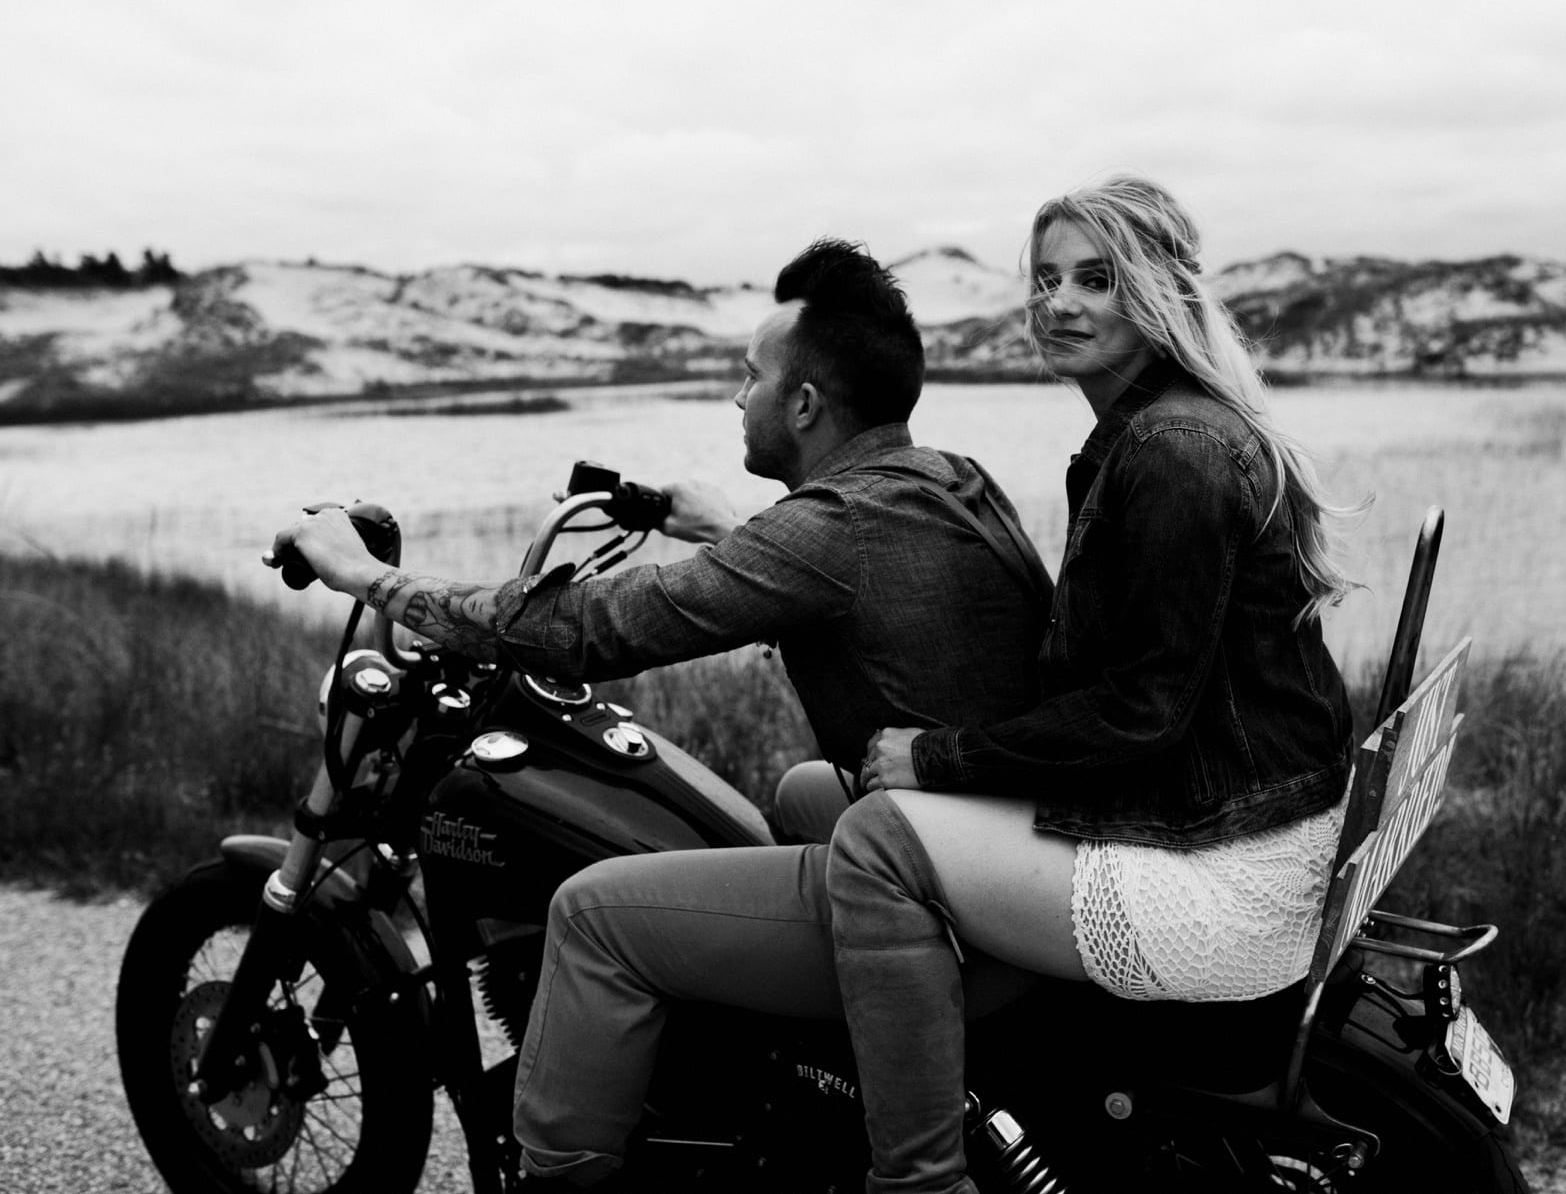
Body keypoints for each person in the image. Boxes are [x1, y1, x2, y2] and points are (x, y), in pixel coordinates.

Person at [269, 237, 1050, 1189]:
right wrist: (733, 527)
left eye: (751, 375)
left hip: (952, 906)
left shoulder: (825, 530)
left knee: (592, 914)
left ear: (803, 405)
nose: (737, 395)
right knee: (804, 791)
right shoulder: (954, 481)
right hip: (1015, 859)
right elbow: (860, 575)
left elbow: (593, 628)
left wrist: (373, 579)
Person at [828, 175, 1362, 1194]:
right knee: (897, 801)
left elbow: (1140, 712)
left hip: (1222, 881)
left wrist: (933, 753)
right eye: (1043, 280)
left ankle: (918, 1179)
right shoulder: (1161, 430)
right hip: (1247, 829)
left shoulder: (1173, 452)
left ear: (1157, 291)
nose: (1056, 303)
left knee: (872, 836)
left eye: (1094, 279)